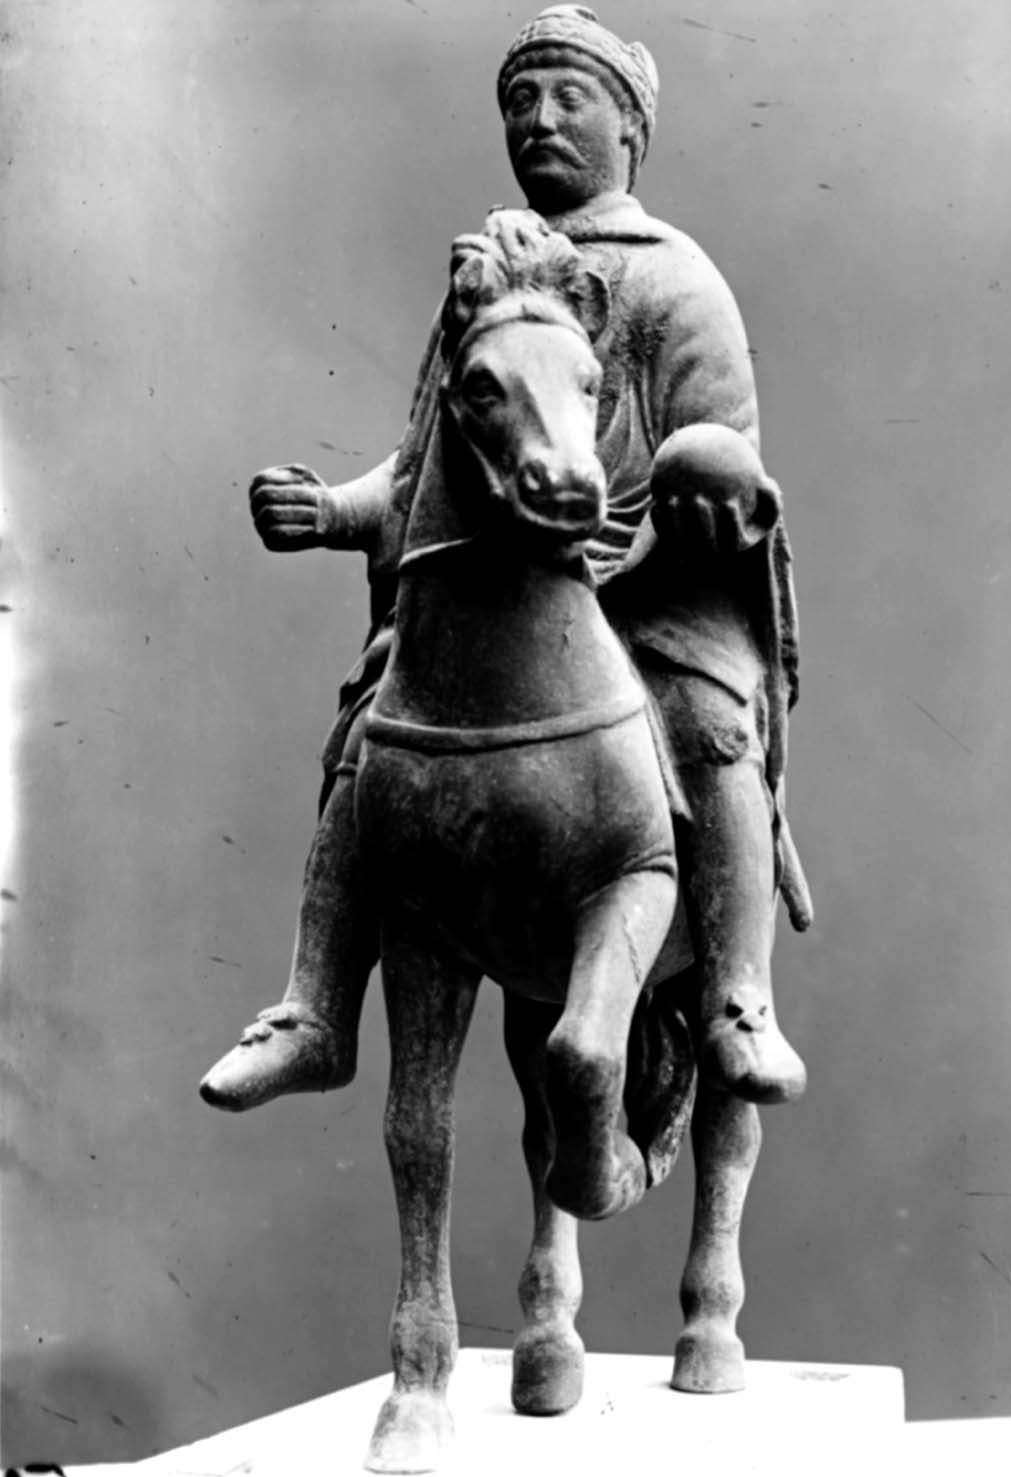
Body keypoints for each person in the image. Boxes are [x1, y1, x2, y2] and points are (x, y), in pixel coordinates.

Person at [200, 4, 811, 1117]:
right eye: (519, 101)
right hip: (499, 587)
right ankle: (315, 1004)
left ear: (629, 128)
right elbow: (430, 458)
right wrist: (334, 511)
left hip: (647, 585)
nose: (538, 119)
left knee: (716, 726)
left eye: (568, 97)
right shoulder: (482, 282)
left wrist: (695, 496)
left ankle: (734, 995)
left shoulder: (677, 282)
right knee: (369, 726)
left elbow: (723, 455)